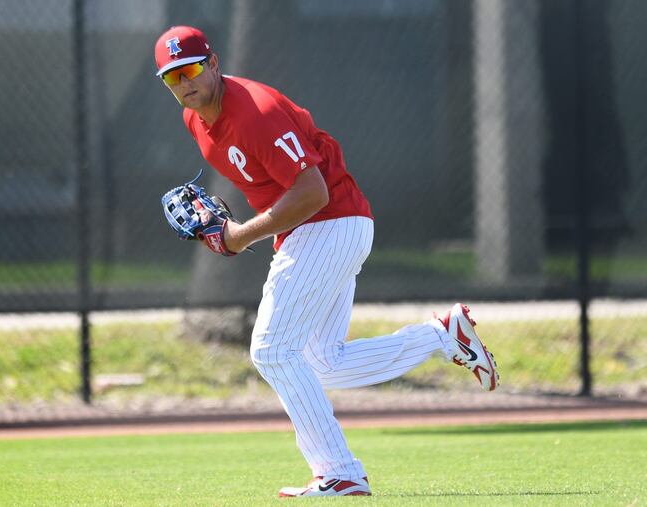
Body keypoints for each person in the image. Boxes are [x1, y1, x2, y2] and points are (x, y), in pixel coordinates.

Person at [154, 25, 499, 498]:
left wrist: (238, 236)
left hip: (329, 220)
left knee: (272, 350)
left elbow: (312, 192)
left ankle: (339, 470)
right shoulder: (195, 120)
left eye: (191, 69)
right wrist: (224, 227)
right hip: (325, 227)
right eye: (172, 78)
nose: (185, 83)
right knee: (322, 362)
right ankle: (442, 336)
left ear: (213, 64)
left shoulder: (257, 111)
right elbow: (266, 180)